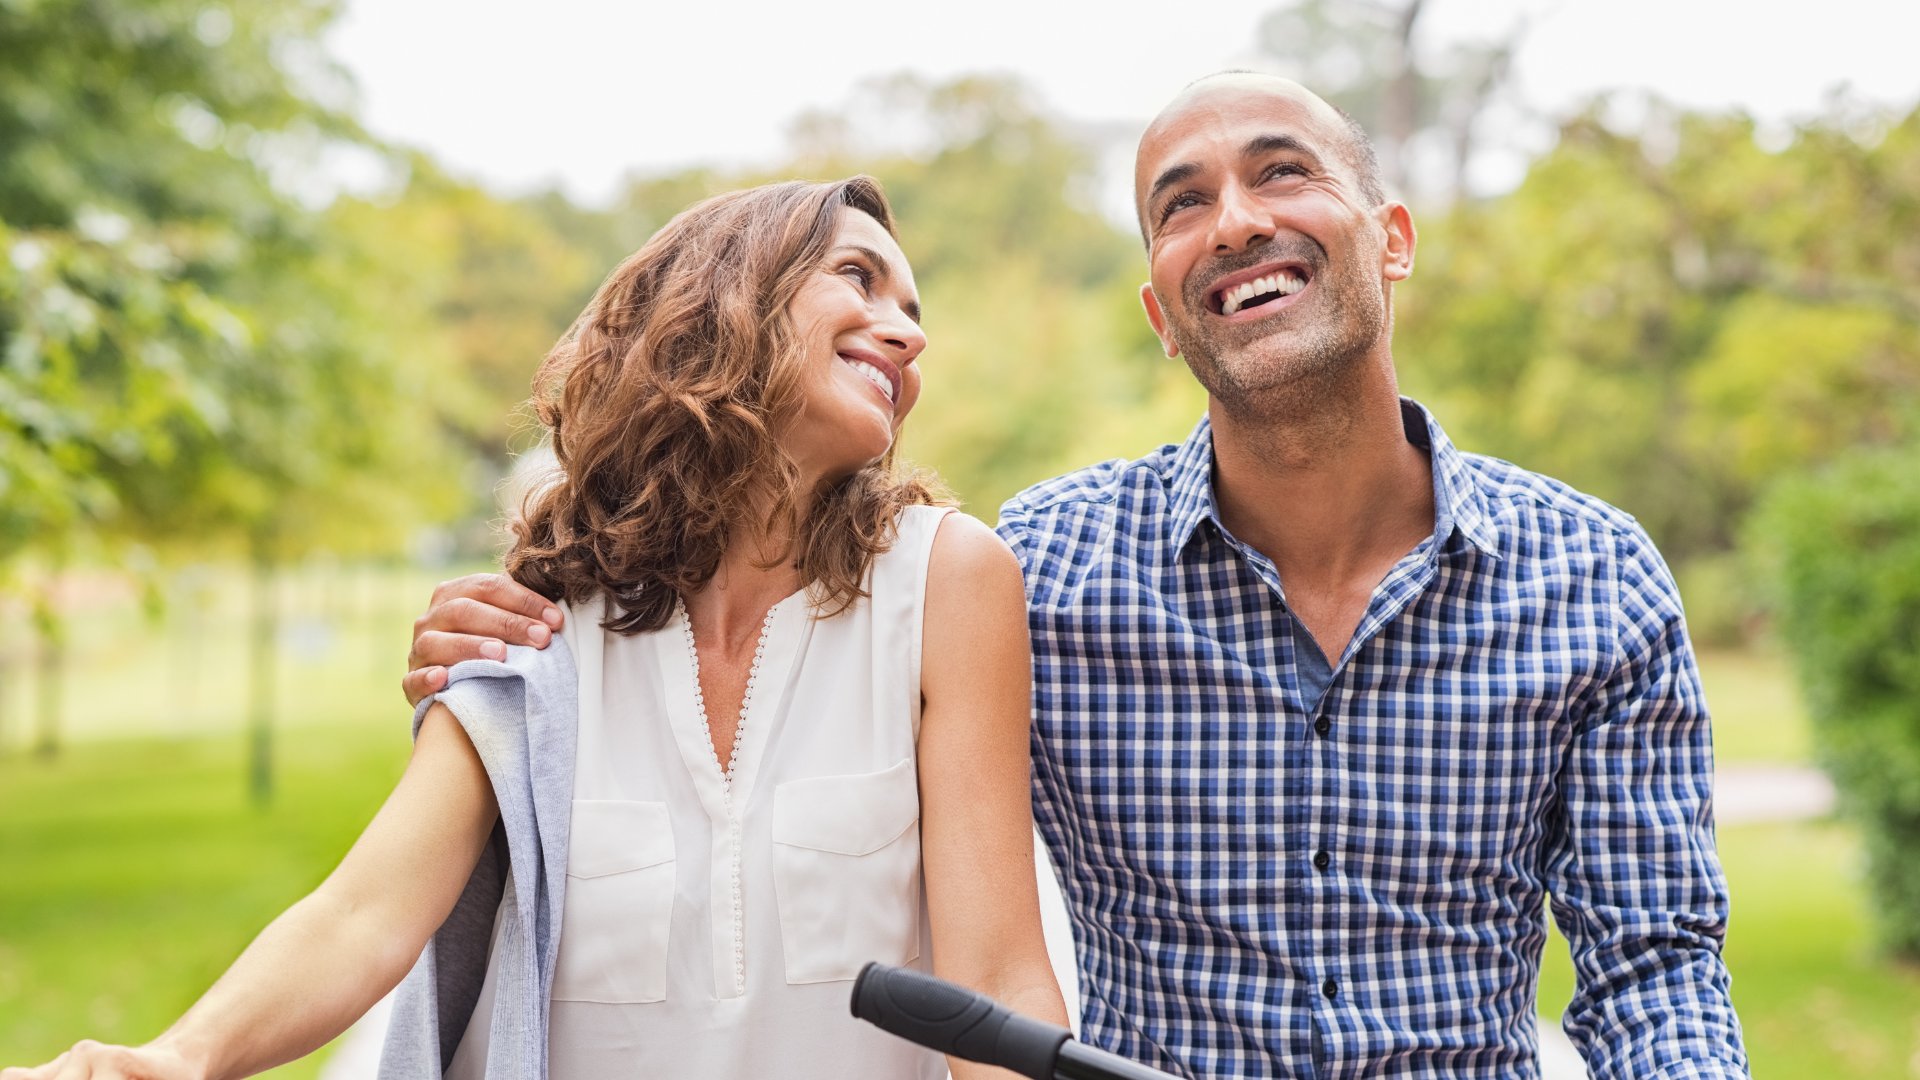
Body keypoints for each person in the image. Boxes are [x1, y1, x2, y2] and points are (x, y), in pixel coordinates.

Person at [402, 73, 1751, 1079]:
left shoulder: (1592, 575)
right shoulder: (1033, 572)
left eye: (1282, 174)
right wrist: (525, 621)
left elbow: (1655, 967)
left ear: (1388, 238)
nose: (1235, 221)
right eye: (1183, 206)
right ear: (1164, 315)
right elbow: (763, 584)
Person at [3, 176, 1067, 1080]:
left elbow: (995, 979)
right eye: (860, 278)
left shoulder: (945, 580)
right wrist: (178, 1059)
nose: (910, 328)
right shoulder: (537, 620)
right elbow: (366, 914)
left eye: (915, 305)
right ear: (726, 302)